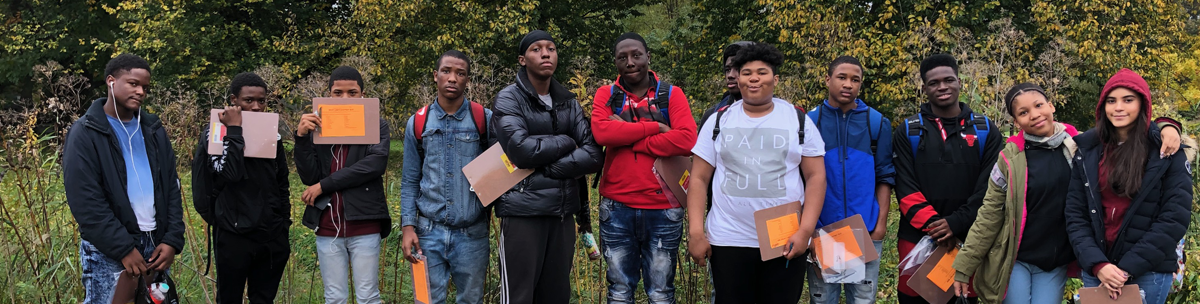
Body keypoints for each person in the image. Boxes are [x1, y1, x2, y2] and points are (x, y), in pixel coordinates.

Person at [686, 42, 827, 304]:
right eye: (746, 72)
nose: (753, 78)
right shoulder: (718, 121)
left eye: (762, 72)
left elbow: (816, 177)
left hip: (784, 240)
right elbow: (698, 178)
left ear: (775, 78)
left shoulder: (797, 121)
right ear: (736, 78)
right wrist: (696, 233)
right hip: (728, 240)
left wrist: (805, 230)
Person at [492, 30, 604, 304]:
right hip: (522, 214)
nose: (545, 53)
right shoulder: (509, 99)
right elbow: (521, 150)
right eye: (536, 49)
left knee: (556, 296)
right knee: (519, 297)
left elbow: (593, 155)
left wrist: (549, 168)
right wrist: (567, 140)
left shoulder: (569, 102)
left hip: (563, 215)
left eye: (551, 48)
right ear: (522, 59)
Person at [64, 53, 185, 303]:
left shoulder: (153, 130)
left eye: (145, 87)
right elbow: (86, 201)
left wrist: (172, 239)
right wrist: (123, 249)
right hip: (110, 250)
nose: (141, 91)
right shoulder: (87, 132)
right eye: (133, 83)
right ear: (111, 81)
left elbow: (171, 188)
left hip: (156, 245)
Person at [1064, 69, 1192, 304]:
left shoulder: (1166, 153)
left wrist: (1125, 269)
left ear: (1142, 104)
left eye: (1128, 100)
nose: (1118, 107)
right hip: (1099, 271)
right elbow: (1076, 214)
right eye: (1111, 101)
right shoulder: (1087, 151)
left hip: (1148, 271)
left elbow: (1174, 219)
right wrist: (1099, 264)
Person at [590, 32, 697, 304]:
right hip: (616, 208)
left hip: (663, 207)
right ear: (615, 62)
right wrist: (656, 128)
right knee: (619, 291)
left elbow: (687, 140)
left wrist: (630, 138)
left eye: (636, 55)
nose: (630, 62)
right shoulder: (607, 94)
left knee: (660, 293)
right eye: (622, 57)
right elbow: (602, 133)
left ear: (648, 57)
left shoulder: (671, 95)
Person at [950, 83, 1079, 304]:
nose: (1035, 115)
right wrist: (964, 266)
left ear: (1051, 106)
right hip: (1015, 258)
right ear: (1016, 122)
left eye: (1039, 105)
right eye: (1023, 112)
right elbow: (989, 214)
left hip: (1054, 260)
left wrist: (1161, 127)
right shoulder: (1009, 159)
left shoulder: (1079, 148)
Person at [892, 53, 1004, 304]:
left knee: (962, 299)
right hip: (917, 239)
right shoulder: (908, 130)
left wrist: (956, 223)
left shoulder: (986, 130)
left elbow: (991, 189)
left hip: (969, 240)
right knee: (915, 298)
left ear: (959, 82)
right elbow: (904, 187)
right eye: (933, 83)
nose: (942, 87)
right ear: (924, 88)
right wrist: (937, 227)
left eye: (948, 80)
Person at [399, 50, 493, 304]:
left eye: (460, 73)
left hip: (472, 234)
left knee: (471, 300)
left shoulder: (483, 119)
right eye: (446, 71)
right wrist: (408, 226)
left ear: (468, 80)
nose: (452, 78)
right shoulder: (418, 123)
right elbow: (409, 180)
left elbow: (500, 169)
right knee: (426, 300)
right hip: (427, 234)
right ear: (435, 76)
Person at [190, 72, 291, 304]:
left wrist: (283, 223)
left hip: (270, 233)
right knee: (229, 298)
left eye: (262, 101)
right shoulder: (214, 132)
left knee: (263, 298)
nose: (256, 107)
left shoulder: (272, 135)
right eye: (248, 100)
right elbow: (230, 173)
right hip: (233, 233)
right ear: (234, 100)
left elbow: (281, 181)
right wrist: (234, 130)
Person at [294, 66, 391, 304]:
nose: (345, 98)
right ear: (328, 94)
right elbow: (309, 177)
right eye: (338, 92)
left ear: (362, 95)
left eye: (352, 92)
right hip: (327, 227)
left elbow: (374, 165)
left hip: (365, 224)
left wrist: (323, 186)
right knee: (334, 298)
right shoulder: (318, 127)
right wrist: (301, 138)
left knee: (368, 297)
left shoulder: (376, 125)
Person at [806, 55, 894, 304]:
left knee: (863, 300)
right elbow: (801, 179)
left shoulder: (877, 123)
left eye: (855, 80)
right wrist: (809, 228)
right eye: (842, 77)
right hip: (823, 230)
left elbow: (885, 176)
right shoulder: (810, 123)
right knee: (823, 300)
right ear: (827, 79)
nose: (848, 84)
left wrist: (880, 226)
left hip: (864, 229)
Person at [699, 41, 755, 124]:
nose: (730, 75)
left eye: (737, 69)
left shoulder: (778, 113)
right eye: (727, 70)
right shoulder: (713, 116)